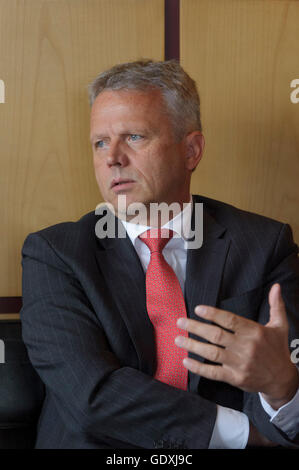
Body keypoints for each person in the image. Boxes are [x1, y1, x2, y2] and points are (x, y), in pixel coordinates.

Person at [20, 60, 299, 449]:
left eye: (134, 137)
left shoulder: (264, 244)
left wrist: (282, 386)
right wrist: (238, 434)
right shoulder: (56, 254)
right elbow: (92, 396)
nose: (111, 158)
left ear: (191, 150)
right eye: (100, 142)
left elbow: (281, 386)